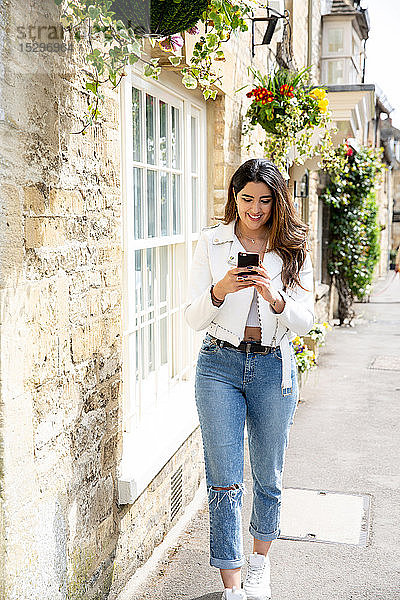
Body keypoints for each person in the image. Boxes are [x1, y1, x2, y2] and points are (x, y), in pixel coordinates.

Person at [184, 158, 315, 600]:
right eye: (246, 199)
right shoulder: (213, 242)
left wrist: (273, 297)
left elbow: (305, 321)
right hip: (218, 366)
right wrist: (221, 288)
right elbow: (192, 317)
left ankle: (260, 563)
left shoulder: (294, 248)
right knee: (223, 476)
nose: (255, 209)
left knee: (268, 473)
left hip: (272, 369)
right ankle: (233, 583)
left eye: (264, 200)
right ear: (234, 199)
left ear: (278, 202)